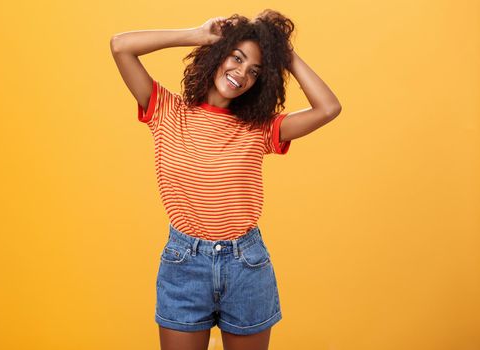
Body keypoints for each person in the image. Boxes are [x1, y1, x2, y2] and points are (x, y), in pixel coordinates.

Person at [110, 9, 342, 350]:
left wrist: (286, 56)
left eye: (254, 70)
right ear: (218, 55)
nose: (241, 73)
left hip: (245, 265)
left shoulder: (260, 129)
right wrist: (197, 34)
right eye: (236, 58)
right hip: (184, 263)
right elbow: (120, 46)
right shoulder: (166, 110)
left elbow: (328, 108)